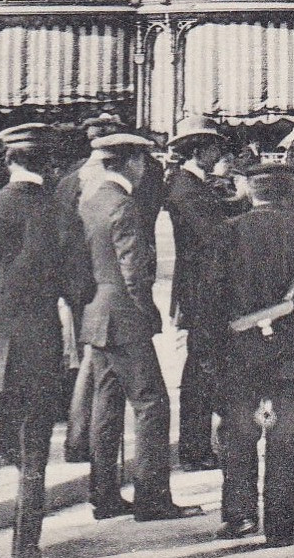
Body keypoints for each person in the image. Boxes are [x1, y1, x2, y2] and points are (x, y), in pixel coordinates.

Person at [0, 123, 95, 558]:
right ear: (49, 164)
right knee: (32, 464)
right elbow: (80, 289)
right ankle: (26, 555)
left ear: (8, 161)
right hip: (38, 351)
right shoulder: (63, 215)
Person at [205, 163, 294, 547]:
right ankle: (282, 523)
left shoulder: (228, 232)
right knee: (286, 438)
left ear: (251, 193)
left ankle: (239, 515)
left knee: (238, 434)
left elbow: (209, 299)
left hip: (240, 354)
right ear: (290, 193)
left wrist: (212, 352)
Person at [79, 132, 203, 522]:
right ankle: (152, 499)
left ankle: (103, 495)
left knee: (106, 405)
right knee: (152, 404)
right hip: (125, 319)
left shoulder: (89, 201)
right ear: (132, 162)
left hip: (97, 315)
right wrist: (147, 315)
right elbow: (134, 271)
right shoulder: (124, 205)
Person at [163, 115, 236, 472]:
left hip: (201, 288)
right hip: (202, 290)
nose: (219, 154)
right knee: (202, 371)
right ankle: (195, 450)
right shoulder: (186, 188)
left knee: (203, 368)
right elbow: (214, 235)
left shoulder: (192, 183)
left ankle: (200, 447)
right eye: (214, 148)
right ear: (200, 150)